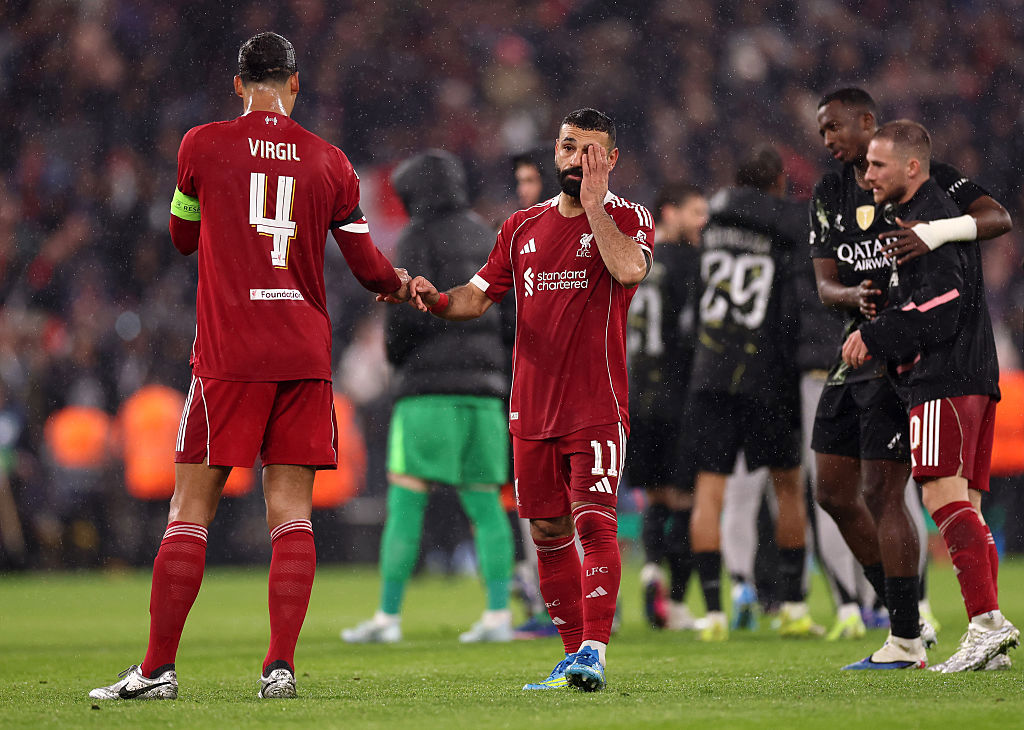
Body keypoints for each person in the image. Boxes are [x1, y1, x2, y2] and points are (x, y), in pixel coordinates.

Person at [89, 32, 411, 701]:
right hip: (302, 352)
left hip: (230, 355)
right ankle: (279, 669)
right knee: (292, 512)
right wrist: (397, 284)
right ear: (295, 85)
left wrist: (219, 213)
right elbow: (368, 266)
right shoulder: (329, 162)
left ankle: (156, 671)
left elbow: (181, 237)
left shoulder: (200, 146)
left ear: (239, 84)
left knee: (190, 509)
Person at [392, 108, 653, 692]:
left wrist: (593, 205)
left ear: (610, 160)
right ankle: (571, 657)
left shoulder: (629, 218)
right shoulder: (520, 228)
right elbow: (475, 298)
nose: (574, 158)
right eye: (566, 146)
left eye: (588, 150)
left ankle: (595, 650)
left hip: (596, 405)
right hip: (531, 409)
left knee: (594, 522)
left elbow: (630, 270)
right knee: (546, 534)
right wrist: (434, 300)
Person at [809, 88, 1012, 669]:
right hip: (958, 368)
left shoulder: (931, 209)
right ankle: (983, 635)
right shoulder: (853, 199)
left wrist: (877, 332)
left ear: (906, 163)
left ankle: (979, 625)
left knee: (939, 499)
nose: (858, 167)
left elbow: (945, 296)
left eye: (875, 162)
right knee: (959, 504)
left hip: (938, 375)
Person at [341, 149, 514, 645]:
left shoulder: (418, 236)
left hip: (427, 393)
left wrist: (397, 360)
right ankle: (498, 614)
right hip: (484, 394)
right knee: (485, 505)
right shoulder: (487, 235)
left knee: (406, 501)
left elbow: (405, 309)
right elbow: (509, 318)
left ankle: (388, 617)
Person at [685, 144, 815, 642]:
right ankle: (794, 606)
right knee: (788, 488)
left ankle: (714, 612)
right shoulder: (784, 224)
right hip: (766, 373)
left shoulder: (712, 224)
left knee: (709, 492)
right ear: (777, 184)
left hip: (711, 372)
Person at [626, 182, 707, 630]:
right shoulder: (688, 262)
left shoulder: (636, 259)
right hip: (678, 397)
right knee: (687, 501)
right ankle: (675, 603)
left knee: (654, 497)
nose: (702, 223)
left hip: (638, 395)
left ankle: (653, 567)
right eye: (695, 211)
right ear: (668, 210)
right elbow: (694, 330)